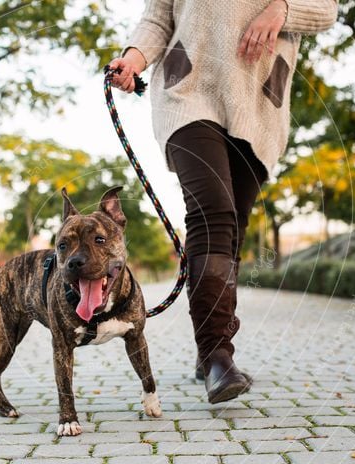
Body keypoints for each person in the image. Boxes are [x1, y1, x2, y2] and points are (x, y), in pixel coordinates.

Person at [108, 0, 338, 403]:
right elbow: (158, 16)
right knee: (212, 211)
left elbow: (326, 7)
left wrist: (281, 10)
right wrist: (133, 59)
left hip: (258, 95)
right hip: (188, 89)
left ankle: (207, 348)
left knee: (233, 226)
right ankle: (217, 354)